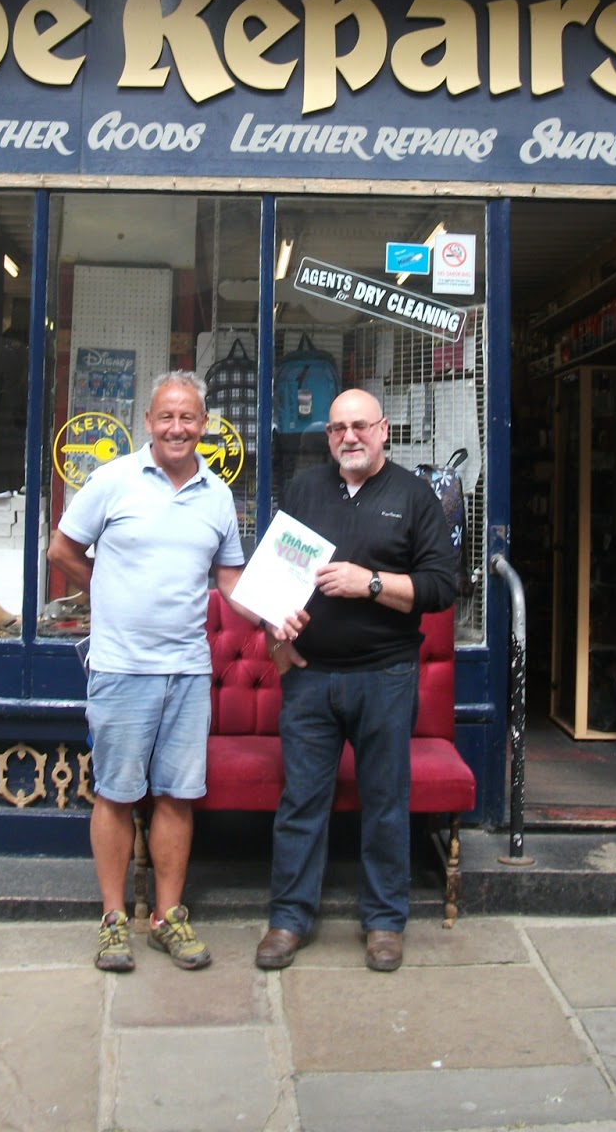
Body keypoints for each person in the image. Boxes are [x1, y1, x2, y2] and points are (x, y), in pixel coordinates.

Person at [50, 370, 305, 975]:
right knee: (115, 793)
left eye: (189, 418)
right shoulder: (112, 481)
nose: (177, 428)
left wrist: (277, 616)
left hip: (188, 670)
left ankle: (167, 917)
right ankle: (115, 922)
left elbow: (231, 583)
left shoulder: (217, 495)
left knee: (177, 795)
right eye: (166, 416)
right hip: (121, 666)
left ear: (205, 425)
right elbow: (62, 549)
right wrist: (104, 590)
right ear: (148, 422)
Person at [255, 387, 456, 974]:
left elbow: (442, 589)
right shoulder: (304, 491)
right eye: (339, 427)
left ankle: (385, 922)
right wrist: (277, 636)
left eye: (361, 426)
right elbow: (274, 579)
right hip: (311, 678)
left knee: (386, 802)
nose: (350, 436)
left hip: (385, 677)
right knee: (301, 802)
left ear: (384, 430)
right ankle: (288, 919)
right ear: (328, 437)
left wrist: (370, 582)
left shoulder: (415, 497)